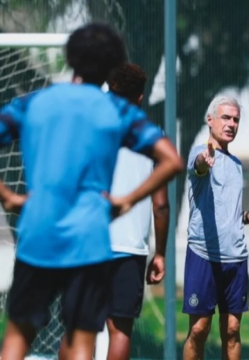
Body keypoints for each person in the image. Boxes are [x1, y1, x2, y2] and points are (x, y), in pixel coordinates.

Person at [0, 23, 183, 360]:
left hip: (39, 232)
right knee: (82, 341)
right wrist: (126, 201)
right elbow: (171, 160)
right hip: (89, 237)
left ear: (70, 56)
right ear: (111, 63)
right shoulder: (118, 112)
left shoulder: (35, 103)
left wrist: (8, 197)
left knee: (17, 339)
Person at [61, 62, 170, 360]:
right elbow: (160, 204)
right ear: (139, 98)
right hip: (129, 249)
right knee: (119, 330)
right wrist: (159, 252)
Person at [182, 96, 249, 360]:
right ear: (210, 120)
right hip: (203, 255)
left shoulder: (237, 165)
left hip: (236, 259)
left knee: (232, 330)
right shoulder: (200, 153)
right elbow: (199, 168)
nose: (231, 124)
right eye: (225, 118)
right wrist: (203, 163)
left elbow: (226, 211)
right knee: (198, 329)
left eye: (236, 119)